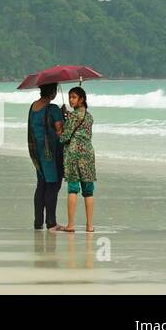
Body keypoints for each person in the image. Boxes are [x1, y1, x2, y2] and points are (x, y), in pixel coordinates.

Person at [55, 86, 96, 232]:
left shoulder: (73, 116)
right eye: (70, 97)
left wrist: (61, 128)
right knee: (88, 190)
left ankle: (71, 225)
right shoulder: (90, 116)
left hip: (73, 153)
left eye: (73, 97)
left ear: (81, 99)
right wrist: (68, 116)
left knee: (73, 188)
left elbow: (65, 136)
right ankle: (90, 226)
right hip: (88, 153)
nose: (70, 100)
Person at [28, 83, 64, 230]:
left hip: (36, 152)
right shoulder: (53, 109)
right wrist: (63, 117)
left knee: (41, 184)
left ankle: (38, 221)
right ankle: (51, 223)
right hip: (50, 152)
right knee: (53, 185)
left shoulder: (33, 107)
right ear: (53, 92)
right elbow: (59, 131)